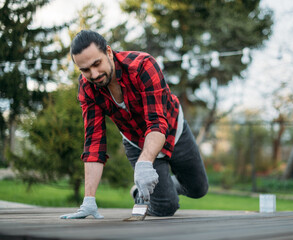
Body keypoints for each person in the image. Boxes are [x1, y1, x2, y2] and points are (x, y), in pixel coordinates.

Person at [60, 30, 208, 219]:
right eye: (85, 70)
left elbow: (156, 122)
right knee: (165, 207)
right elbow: (94, 141)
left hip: (172, 130)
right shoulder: (87, 88)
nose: (94, 74)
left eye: (97, 64)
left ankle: (163, 185)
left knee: (198, 188)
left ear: (109, 52)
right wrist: (89, 199)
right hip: (136, 141)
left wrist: (145, 163)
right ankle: (145, 193)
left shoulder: (143, 66)